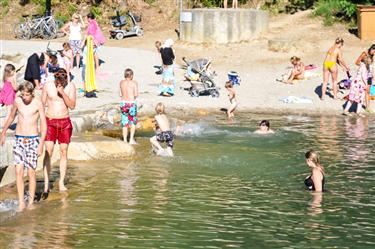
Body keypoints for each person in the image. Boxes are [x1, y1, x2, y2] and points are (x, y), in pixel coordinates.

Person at [0, 82, 47, 211]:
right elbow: (11, 117)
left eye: (27, 95)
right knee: (18, 171)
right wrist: (3, 132)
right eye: (23, 94)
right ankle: (21, 202)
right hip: (19, 139)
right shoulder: (18, 101)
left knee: (31, 172)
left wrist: (41, 143)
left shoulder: (38, 103)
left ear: (32, 93)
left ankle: (30, 202)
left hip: (33, 140)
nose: (25, 97)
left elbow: (43, 123)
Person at [42, 68, 76, 193]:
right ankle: (46, 182)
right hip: (50, 121)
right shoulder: (48, 86)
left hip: (64, 122)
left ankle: (61, 182)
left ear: (66, 79)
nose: (60, 83)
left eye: (63, 81)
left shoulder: (71, 87)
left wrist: (63, 93)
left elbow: (72, 105)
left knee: (63, 151)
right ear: (55, 79)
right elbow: (41, 104)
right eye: (58, 81)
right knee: (48, 151)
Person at [120, 68, 139, 144]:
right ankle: (131, 140)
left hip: (124, 103)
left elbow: (120, 94)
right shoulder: (134, 83)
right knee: (133, 122)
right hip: (131, 103)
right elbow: (136, 94)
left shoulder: (121, 82)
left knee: (125, 123)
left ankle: (124, 140)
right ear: (131, 76)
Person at [355, 44, 375, 108]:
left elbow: (371, 66)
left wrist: (373, 75)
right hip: (363, 75)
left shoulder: (372, 55)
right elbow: (357, 62)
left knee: (368, 91)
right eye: (374, 51)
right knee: (361, 90)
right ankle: (358, 105)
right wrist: (364, 65)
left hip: (369, 75)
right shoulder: (364, 53)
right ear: (372, 49)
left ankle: (367, 107)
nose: (374, 53)